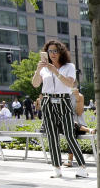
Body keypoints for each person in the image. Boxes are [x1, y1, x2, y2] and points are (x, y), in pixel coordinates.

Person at [32, 39, 87, 178]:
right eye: (50, 51)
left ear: (61, 52)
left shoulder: (69, 66)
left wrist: (55, 71)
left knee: (69, 134)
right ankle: (56, 168)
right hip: (48, 101)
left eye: (55, 51)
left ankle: (82, 167)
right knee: (52, 136)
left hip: (63, 100)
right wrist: (38, 70)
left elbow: (70, 83)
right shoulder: (44, 68)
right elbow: (35, 84)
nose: (52, 54)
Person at [64, 88, 91, 168]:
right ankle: (89, 130)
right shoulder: (62, 96)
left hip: (79, 125)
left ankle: (70, 159)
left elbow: (79, 113)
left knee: (71, 128)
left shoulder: (79, 96)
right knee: (70, 126)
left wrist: (78, 99)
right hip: (66, 125)